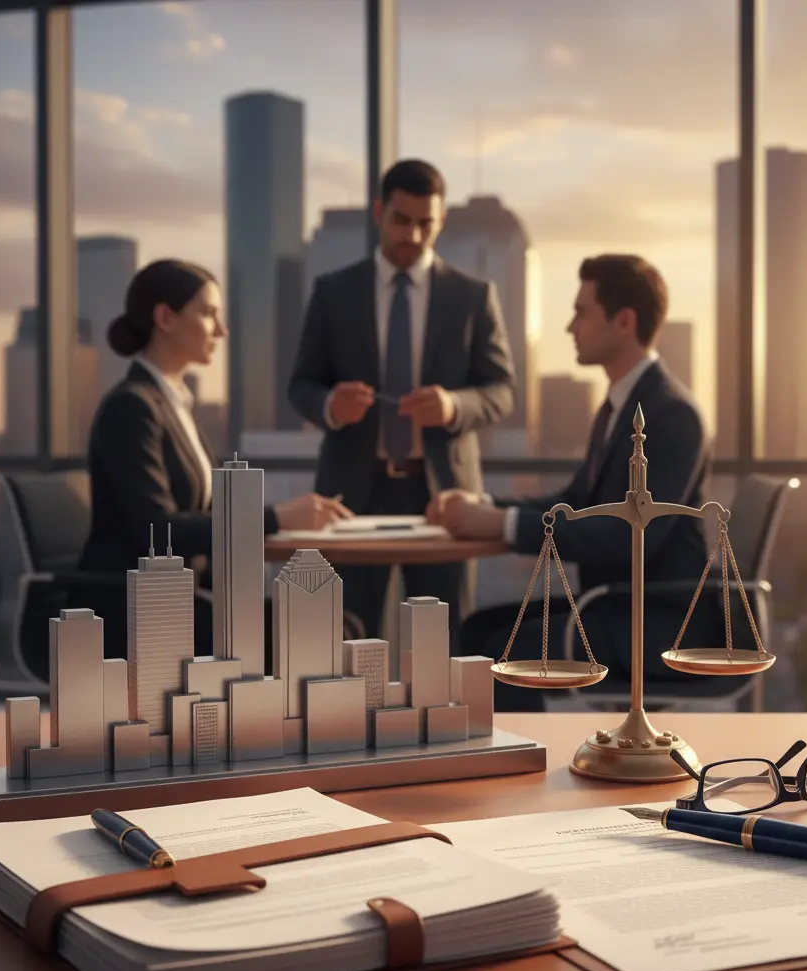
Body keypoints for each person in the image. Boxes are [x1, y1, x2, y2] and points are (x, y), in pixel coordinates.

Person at [428, 254, 720, 710]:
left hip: (657, 621)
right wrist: (485, 505)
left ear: (624, 321)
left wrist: (502, 525)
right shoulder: (617, 407)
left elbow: (633, 535)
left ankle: (511, 770)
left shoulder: (670, 413)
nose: (570, 327)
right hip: (613, 605)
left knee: (502, 654)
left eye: (582, 311)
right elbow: (575, 502)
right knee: (478, 631)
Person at [289, 159, 516, 644]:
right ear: (379, 211)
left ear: (441, 222)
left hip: (442, 497)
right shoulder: (333, 293)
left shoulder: (473, 296)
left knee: (440, 648)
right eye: (402, 220)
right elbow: (301, 385)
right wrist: (331, 406)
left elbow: (501, 391)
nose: (413, 235)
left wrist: (454, 406)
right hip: (351, 494)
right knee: (344, 645)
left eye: (425, 224)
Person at [77, 258, 351, 660]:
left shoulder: (174, 405)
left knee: (340, 624)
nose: (221, 330)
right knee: (321, 629)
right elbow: (158, 531)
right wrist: (277, 518)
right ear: (165, 318)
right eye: (208, 314)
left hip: (186, 596)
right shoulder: (132, 408)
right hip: (140, 605)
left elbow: (203, 512)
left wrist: (286, 518)